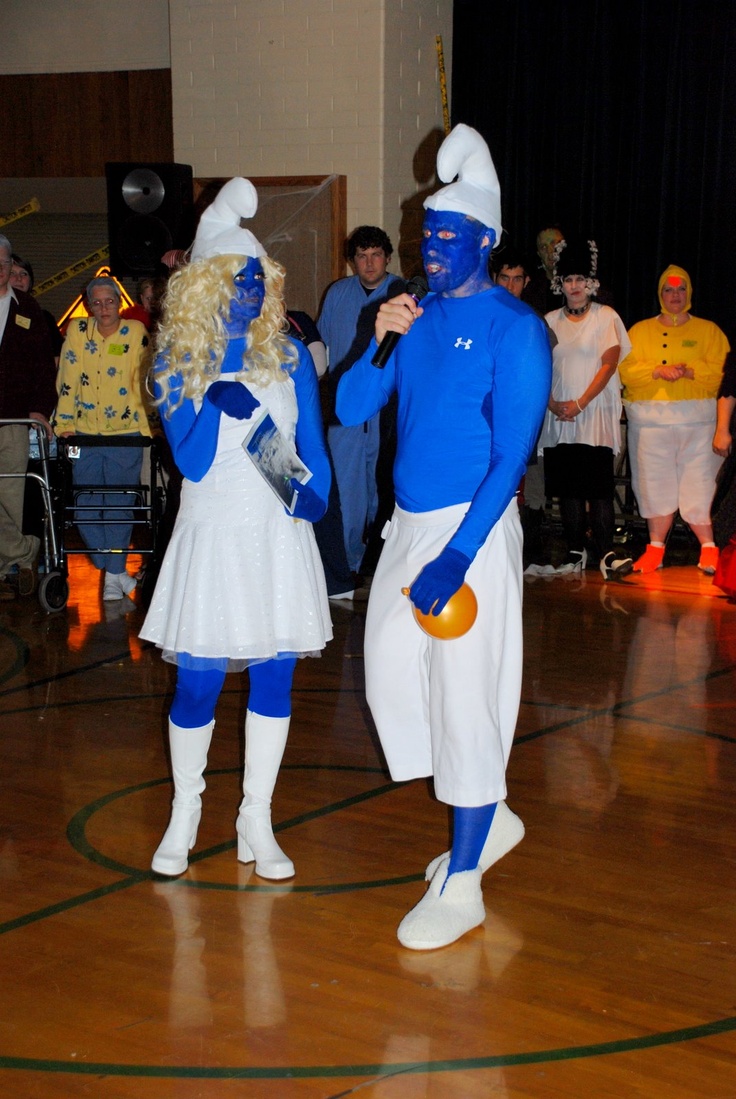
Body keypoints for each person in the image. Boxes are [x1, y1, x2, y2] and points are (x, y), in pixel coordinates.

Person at [337, 125, 552, 950]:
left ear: (485, 240)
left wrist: (459, 555)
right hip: (407, 526)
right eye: (426, 235)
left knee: (466, 696)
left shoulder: (515, 327)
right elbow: (352, 407)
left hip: (475, 527)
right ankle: (487, 812)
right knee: (391, 672)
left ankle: (464, 878)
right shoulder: (410, 314)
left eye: (448, 237)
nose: (432, 249)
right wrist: (381, 335)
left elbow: (511, 454)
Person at [139, 177, 332, 880]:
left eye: (258, 276)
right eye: (236, 276)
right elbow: (189, 461)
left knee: (275, 681)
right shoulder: (172, 359)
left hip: (276, 537)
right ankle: (185, 811)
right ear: (207, 283)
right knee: (196, 686)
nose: (250, 288)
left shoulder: (286, 354)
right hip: (212, 536)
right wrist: (216, 384)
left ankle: (258, 815)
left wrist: (316, 499)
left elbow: (314, 452)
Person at [619, 265, 729, 575]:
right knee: (653, 483)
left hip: (698, 423)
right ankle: (655, 549)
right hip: (651, 423)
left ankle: (709, 548)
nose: (675, 295)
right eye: (669, 290)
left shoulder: (709, 331)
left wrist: (691, 371)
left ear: (689, 293)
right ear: (660, 294)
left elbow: (724, 373)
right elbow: (626, 371)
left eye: (680, 290)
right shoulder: (639, 331)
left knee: (702, 483)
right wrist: (657, 371)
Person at [538, 237, 633, 580]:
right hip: (559, 414)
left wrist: (580, 403)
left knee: (598, 487)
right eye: (568, 280)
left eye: (580, 279)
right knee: (569, 489)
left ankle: (605, 551)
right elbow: (538, 367)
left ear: (591, 283)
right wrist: (553, 404)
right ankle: (575, 550)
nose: (574, 286)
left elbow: (609, 364)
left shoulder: (605, 317)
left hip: (592, 415)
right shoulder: (549, 320)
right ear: (559, 284)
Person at [55, 276, 151, 600]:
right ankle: (115, 568)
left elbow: (145, 378)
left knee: (120, 505)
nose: (104, 307)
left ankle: (112, 576)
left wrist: (150, 423)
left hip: (126, 434)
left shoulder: (135, 332)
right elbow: (67, 379)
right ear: (88, 305)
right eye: (96, 302)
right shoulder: (77, 332)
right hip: (81, 434)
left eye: (109, 301)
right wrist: (64, 423)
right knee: (83, 504)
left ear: (118, 303)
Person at [318, 225, 403, 576]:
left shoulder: (402, 293)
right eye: (361, 256)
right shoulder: (338, 293)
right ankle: (350, 566)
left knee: (383, 493)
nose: (369, 263)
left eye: (376, 255)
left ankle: (381, 565)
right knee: (350, 494)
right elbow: (320, 350)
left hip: (389, 413)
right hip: (346, 413)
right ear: (353, 261)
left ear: (387, 257)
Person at [0, 235, 57, 601]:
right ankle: (22, 551)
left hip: (14, 417)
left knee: (9, 493)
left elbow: (43, 367)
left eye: (3, 263)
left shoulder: (29, 309)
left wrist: (40, 406)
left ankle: (8, 568)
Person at [9, 254, 63, 364]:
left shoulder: (43, 317)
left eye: (24, 274)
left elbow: (58, 356)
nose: (19, 278)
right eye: (12, 273)